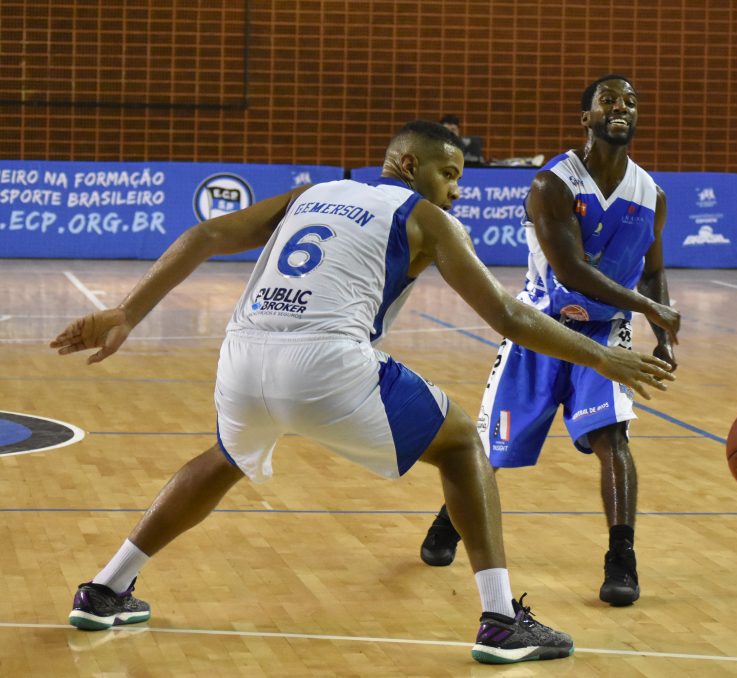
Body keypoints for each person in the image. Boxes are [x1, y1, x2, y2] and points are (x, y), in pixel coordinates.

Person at [50, 120, 675, 664]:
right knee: (463, 445)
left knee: (225, 458)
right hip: (324, 361)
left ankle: (106, 588)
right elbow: (509, 317)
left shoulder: (314, 193)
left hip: (242, 355)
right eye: (449, 173)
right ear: (408, 163)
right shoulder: (427, 219)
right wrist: (602, 356)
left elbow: (208, 235)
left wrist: (127, 312)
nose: (456, 190)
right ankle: (501, 619)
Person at [420, 75, 680, 608]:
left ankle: (622, 557)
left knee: (613, 438)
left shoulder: (651, 194)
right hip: (538, 328)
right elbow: (571, 269)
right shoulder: (552, 184)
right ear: (586, 118)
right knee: (487, 448)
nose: (622, 107)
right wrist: (648, 306)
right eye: (609, 100)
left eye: (631, 101)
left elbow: (653, 272)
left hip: (605, 332)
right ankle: (450, 520)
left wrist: (664, 336)